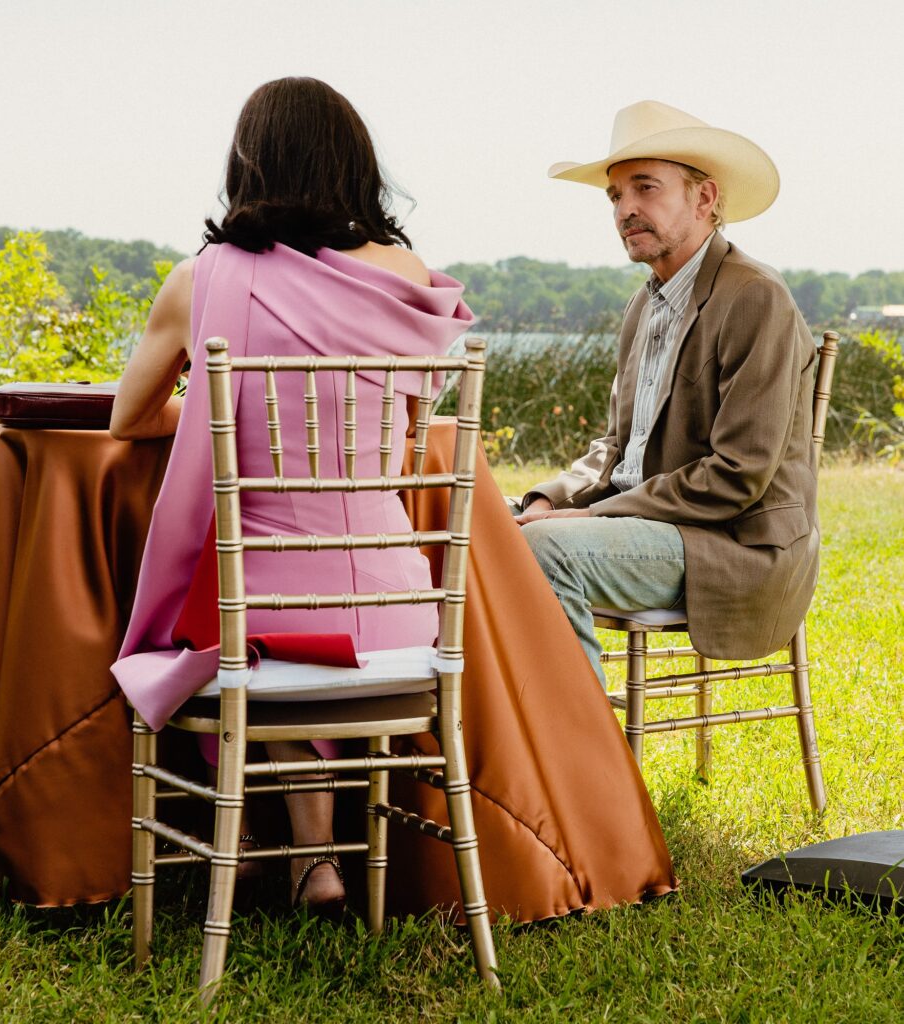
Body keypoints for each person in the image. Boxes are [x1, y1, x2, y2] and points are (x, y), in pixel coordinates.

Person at [110, 77, 473, 913]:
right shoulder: (407, 276)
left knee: (237, 607)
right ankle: (313, 859)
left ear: (248, 163)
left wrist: (219, 409)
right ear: (354, 165)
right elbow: (407, 431)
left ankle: (244, 841)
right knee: (271, 611)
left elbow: (129, 418)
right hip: (399, 610)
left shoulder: (201, 280)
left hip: (268, 612)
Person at [517, 100, 819, 687]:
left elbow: (738, 474)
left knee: (546, 548)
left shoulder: (755, 296)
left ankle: (577, 743)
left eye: (645, 188)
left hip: (733, 546)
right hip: (651, 526)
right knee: (479, 529)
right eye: (615, 196)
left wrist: (591, 517)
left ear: (704, 198)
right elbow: (616, 449)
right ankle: (505, 732)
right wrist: (548, 500)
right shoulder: (644, 303)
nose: (625, 209)